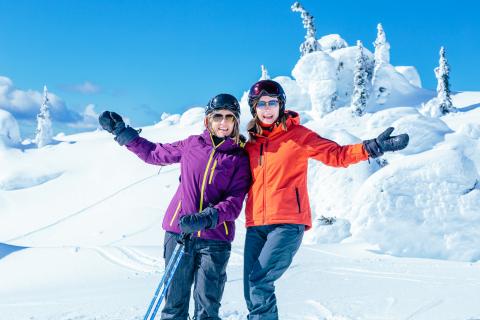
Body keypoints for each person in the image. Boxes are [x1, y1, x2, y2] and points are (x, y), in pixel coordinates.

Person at [243, 80, 409, 319]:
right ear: (253, 108)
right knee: (251, 289)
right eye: (261, 104)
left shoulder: (298, 136)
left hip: (287, 223)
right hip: (255, 225)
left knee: (259, 281)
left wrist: (371, 147)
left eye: (272, 103)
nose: (267, 109)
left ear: (281, 105)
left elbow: (336, 155)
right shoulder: (250, 143)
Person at [98, 93, 251, 320]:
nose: (223, 122)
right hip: (179, 234)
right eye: (217, 116)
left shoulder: (239, 158)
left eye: (229, 117)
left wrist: (207, 218)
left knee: (208, 307)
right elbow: (153, 153)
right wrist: (122, 132)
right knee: (174, 305)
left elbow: (234, 202)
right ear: (208, 120)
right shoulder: (192, 145)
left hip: (215, 239)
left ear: (236, 122)